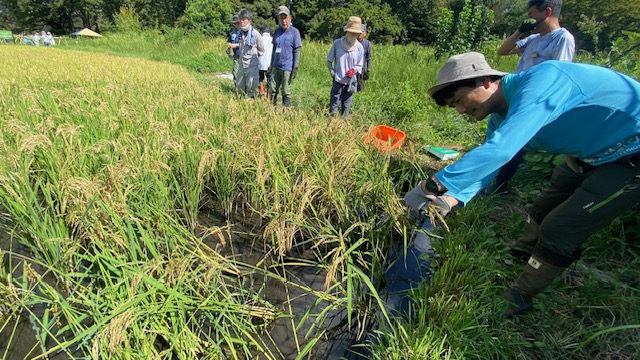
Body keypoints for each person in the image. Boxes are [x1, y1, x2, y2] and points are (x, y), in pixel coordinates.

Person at [404, 52, 640, 318]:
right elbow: (490, 163)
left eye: (459, 100)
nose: (460, 111)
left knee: (561, 226)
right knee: (544, 204)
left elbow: (501, 150)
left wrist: (433, 185)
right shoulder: (498, 118)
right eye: (453, 106)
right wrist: (453, 197)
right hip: (589, 152)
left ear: (484, 81)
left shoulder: (544, 79)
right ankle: (526, 252)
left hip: (631, 153)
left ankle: (520, 296)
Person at [485, 0, 575, 195]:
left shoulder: (562, 38)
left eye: (533, 13)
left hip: (535, 98)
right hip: (515, 93)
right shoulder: (533, 39)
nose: (530, 17)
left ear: (547, 12)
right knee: (496, 129)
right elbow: (503, 51)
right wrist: (519, 31)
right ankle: (484, 173)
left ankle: (500, 186)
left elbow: (560, 72)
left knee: (515, 138)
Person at [326, 16, 364, 118]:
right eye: (351, 32)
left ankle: (343, 126)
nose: (353, 35)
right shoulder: (337, 43)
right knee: (334, 105)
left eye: (355, 33)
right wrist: (332, 72)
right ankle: (331, 125)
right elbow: (329, 60)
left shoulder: (360, 48)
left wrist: (353, 70)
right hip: (338, 79)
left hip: (351, 82)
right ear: (347, 31)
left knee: (346, 106)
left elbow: (360, 64)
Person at [269, 5, 302, 107]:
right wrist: (271, 64)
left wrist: (295, 67)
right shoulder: (277, 32)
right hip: (275, 66)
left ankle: (285, 112)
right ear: (278, 19)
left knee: (285, 90)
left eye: (285, 18)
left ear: (289, 18)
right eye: (281, 18)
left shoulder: (295, 32)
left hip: (287, 67)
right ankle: (272, 110)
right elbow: (274, 49)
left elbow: (297, 51)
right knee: (273, 89)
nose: (284, 21)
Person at [235, 9, 265, 98]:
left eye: (244, 19)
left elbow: (261, 50)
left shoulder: (255, 34)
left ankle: (252, 107)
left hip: (251, 66)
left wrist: (254, 59)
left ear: (250, 21)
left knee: (251, 89)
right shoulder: (240, 34)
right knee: (240, 87)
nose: (241, 21)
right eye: (240, 19)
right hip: (241, 65)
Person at [356, 23, 372, 92]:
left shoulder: (367, 43)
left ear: (365, 33)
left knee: (360, 87)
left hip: (361, 69)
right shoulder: (352, 42)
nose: (360, 34)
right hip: (351, 68)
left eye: (362, 32)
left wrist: (368, 70)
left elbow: (369, 57)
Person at [258, 24, 273, 97]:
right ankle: (268, 96)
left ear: (261, 31)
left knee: (260, 78)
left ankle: (261, 91)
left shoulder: (260, 39)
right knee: (269, 80)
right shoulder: (272, 39)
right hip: (270, 63)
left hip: (260, 62)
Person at [227, 15, 242, 81]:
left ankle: (245, 89)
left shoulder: (244, 31)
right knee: (235, 72)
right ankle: (237, 88)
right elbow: (230, 40)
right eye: (235, 23)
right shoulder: (232, 31)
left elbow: (247, 43)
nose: (236, 25)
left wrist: (236, 45)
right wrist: (229, 46)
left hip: (244, 55)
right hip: (236, 54)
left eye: (237, 23)